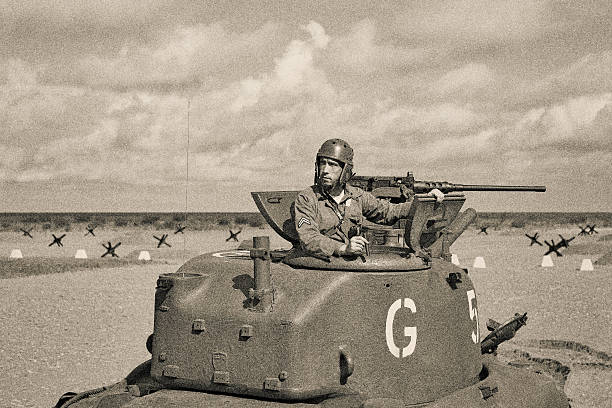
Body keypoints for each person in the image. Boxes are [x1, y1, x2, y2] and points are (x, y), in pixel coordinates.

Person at [293, 138, 444, 259]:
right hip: (324, 265)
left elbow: (388, 212)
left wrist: (424, 201)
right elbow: (309, 238)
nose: (325, 170)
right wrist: (343, 248)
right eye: (322, 164)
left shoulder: (357, 196)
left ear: (345, 171)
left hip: (353, 266)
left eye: (332, 165)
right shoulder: (307, 198)